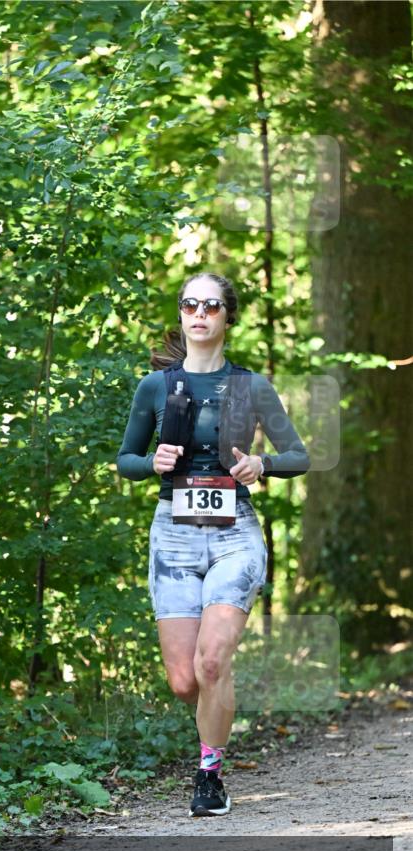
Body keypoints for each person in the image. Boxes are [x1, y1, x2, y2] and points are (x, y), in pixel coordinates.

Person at [116, 272, 310, 817]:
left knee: (212, 663)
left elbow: (299, 455)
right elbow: (125, 460)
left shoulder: (253, 387)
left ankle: (209, 775)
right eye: (189, 305)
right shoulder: (155, 388)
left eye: (212, 305)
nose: (200, 313)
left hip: (235, 535)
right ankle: (215, 701)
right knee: (184, 681)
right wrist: (149, 462)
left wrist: (261, 463)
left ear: (227, 316)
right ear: (181, 315)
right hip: (172, 536)